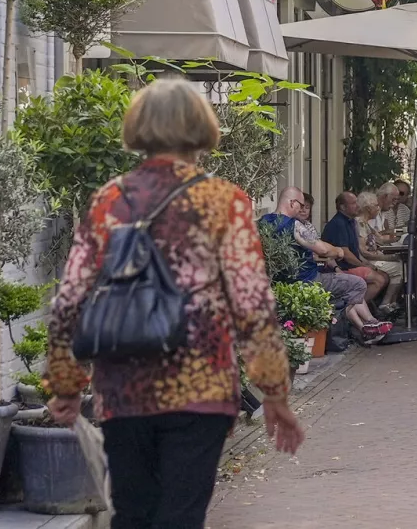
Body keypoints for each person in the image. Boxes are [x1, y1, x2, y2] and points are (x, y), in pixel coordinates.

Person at [44, 78, 304, 529]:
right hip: (200, 385)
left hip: (123, 386)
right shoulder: (223, 202)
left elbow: (71, 298)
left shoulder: (108, 201)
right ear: (200, 128)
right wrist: (274, 393)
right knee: (181, 516)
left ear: (139, 127)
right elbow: (252, 304)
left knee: (132, 514)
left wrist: (67, 385)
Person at [260, 187, 392, 344]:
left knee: (344, 284)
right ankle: (352, 325)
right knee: (357, 284)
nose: (302, 209)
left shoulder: (263, 222)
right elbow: (321, 248)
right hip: (307, 280)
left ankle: (364, 325)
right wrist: (337, 251)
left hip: (279, 283)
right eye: (301, 205)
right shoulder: (293, 225)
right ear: (292, 203)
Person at [321, 191, 389, 303]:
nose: (357, 205)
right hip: (340, 268)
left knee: (384, 276)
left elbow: (356, 248)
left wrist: (366, 264)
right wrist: (363, 265)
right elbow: (346, 253)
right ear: (343, 207)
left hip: (350, 265)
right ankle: (350, 309)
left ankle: (367, 308)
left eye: (357, 202)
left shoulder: (351, 221)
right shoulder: (339, 223)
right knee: (379, 280)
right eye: (353, 203)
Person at [354, 190, 403, 310]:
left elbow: (380, 240)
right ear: (368, 208)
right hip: (367, 261)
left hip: (375, 258)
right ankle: (385, 304)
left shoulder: (366, 224)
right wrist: (388, 258)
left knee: (402, 266)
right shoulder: (359, 224)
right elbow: (364, 252)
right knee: (400, 268)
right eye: (376, 205)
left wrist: (398, 235)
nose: (378, 208)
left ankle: (389, 303)